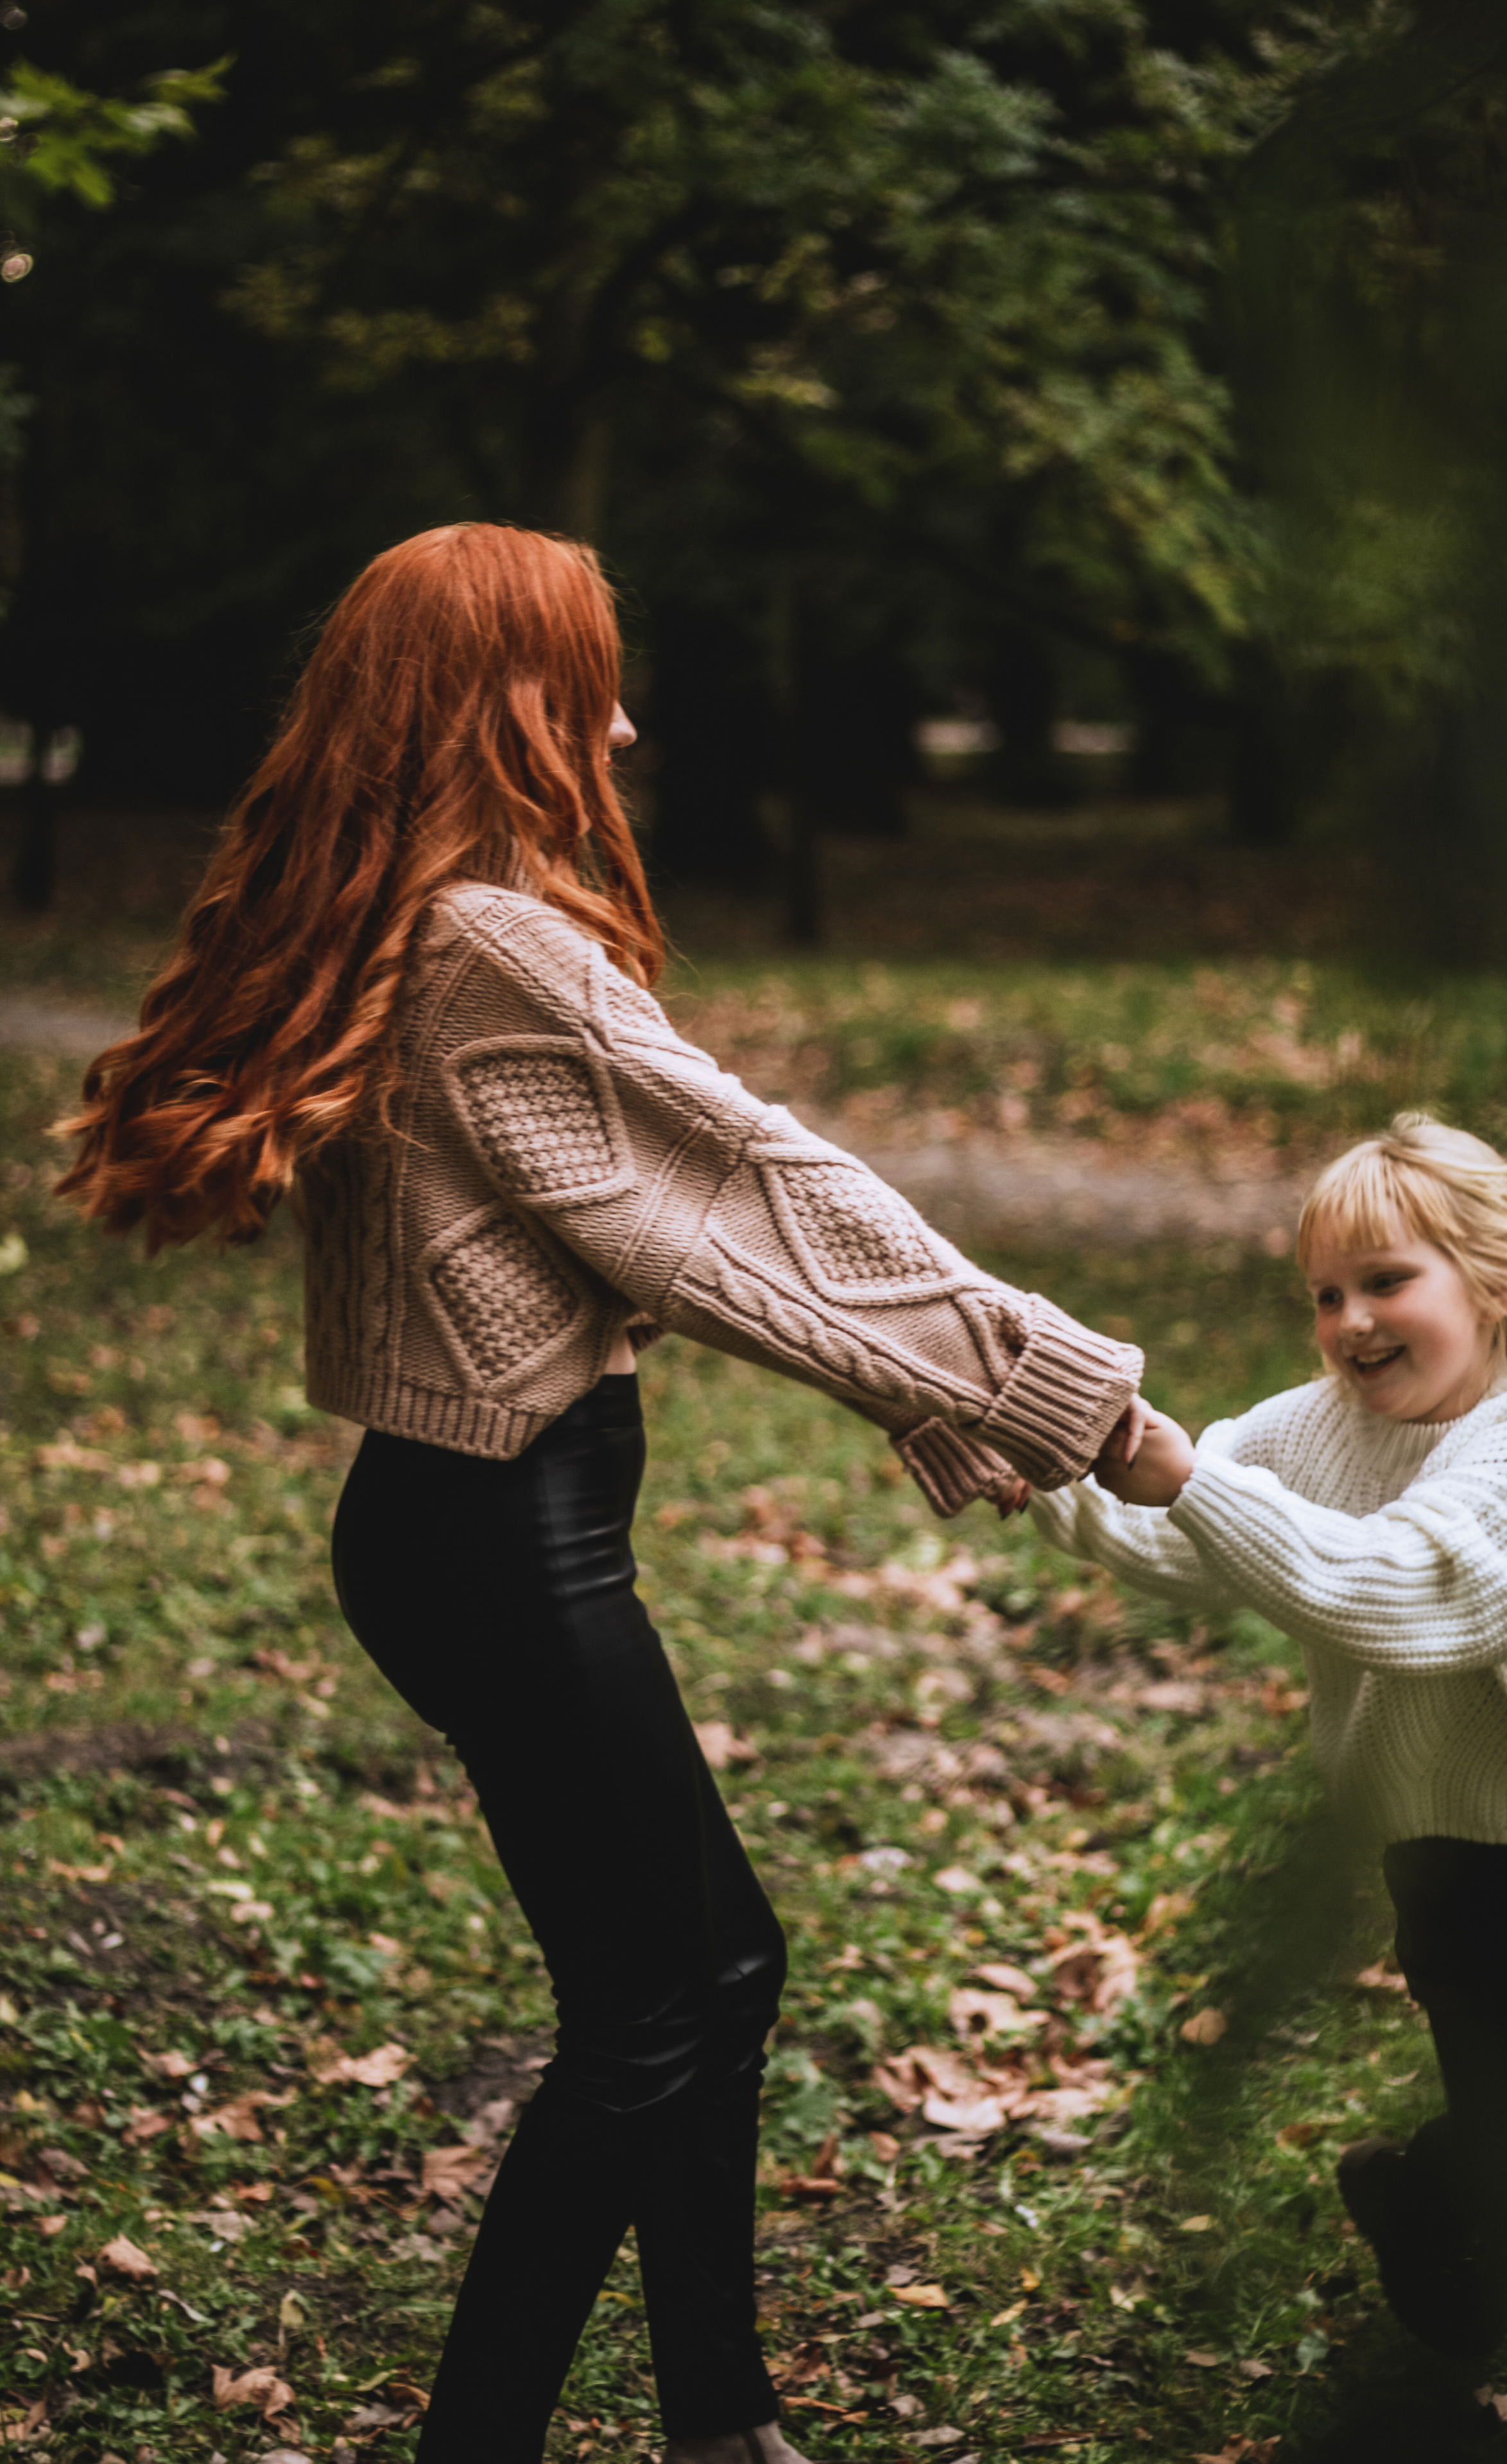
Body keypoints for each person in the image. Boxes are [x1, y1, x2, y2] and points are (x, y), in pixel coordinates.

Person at [56, 522, 1144, 2464]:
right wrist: (1054, 1393)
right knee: (670, 1999)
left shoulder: (429, 921)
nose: (628, 721)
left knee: (707, 1975)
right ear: (499, 704)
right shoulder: (494, 947)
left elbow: (689, 1211)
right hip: (502, 1536)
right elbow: (744, 1196)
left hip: (459, 1525)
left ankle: (720, 2430)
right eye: (592, 679)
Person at [1031, 1112, 1507, 2357]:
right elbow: (1173, 1532)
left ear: (1490, 1282)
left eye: (1385, 1281)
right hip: (1456, 1850)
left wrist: (1195, 1484)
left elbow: (1414, 1593)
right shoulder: (1310, 1431)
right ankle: (1423, 2207)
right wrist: (1043, 1459)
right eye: (1325, 1294)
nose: (1351, 1321)